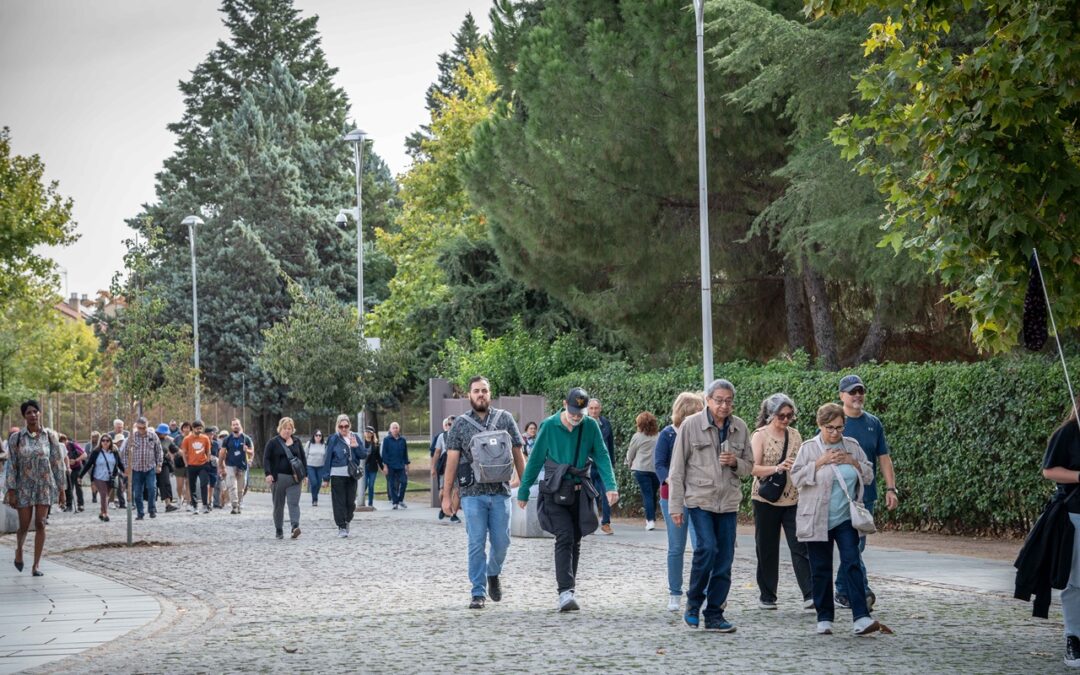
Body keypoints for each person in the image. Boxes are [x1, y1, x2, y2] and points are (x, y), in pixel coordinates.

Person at [517, 387, 619, 612]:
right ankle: (564, 592)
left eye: (580, 413)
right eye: (573, 411)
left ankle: (569, 590)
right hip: (554, 489)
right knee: (564, 536)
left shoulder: (590, 426)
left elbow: (601, 455)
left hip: (579, 490)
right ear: (565, 405)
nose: (576, 417)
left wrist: (611, 486)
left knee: (576, 538)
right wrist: (524, 491)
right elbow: (535, 460)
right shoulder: (549, 426)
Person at [668, 379, 751, 633]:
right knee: (707, 549)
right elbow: (677, 468)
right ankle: (693, 604)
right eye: (719, 400)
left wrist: (735, 462)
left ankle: (714, 613)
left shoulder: (740, 427)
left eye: (728, 401)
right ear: (708, 400)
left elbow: (749, 467)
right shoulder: (691, 426)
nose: (724, 405)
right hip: (699, 500)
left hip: (728, 503)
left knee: (725, 559)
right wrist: (676, 506)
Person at [791, 402, 879, 636]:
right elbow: (796, 478)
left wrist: (852, 462)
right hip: (817, 517)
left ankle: (861, 616)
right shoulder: (809, 448)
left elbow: (869, 474)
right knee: (820, 568)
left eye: (839, 428)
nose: (835, 433)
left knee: (852, 563)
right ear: (820, 425)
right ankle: (825, 618)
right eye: (829, 427)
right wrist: (819, 463)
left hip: (846, 518)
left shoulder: (852, 446)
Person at [442, 377, 526, 609]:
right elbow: (451, 461)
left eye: (485, 391)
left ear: (490, 394)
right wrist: (447, 495)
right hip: (472, 494)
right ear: (469, 395)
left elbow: (518, 453)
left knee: (502, 542)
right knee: (476, 543)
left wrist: (526, 487)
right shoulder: (460, 424)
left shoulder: (505, 419)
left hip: (500, 492)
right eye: (477, 391)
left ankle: (493, 573)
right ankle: (477, 592)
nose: (481, 395)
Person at [834, 374, 898, 610]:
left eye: (861, 390)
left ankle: (842, 590)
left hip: (865, 496)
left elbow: (884, 458)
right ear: (842, 396)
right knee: (851, 544)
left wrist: (891, 488)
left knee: (857, 546)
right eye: (852, 392)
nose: (858, 395)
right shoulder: (836, 423)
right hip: (840, 496)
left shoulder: (874, 423)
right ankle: (861, 589)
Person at [750, 393, 813, 611]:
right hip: (765, 499)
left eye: (789, 415)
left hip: (793, 498)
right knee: (766, 548)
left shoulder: (795, 436)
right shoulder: (760, 436)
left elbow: (804, 463)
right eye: (781, 416)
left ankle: (810, 593)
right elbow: (752, 468)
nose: (786, 420)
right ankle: (768, 595)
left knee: (801, 546)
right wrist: (777, 468)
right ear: (770, 415)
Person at [654, 392, 704, 612]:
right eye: (696, 412)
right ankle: (675, 592)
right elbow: (659, 464)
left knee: (702, 546)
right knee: (676, 547)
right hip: (672, 496)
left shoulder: (701, 434)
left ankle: (700, 591)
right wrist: (671, 481)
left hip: (698, 496)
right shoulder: (668, 434)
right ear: (684, 413)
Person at [1039, 402, 1080, 667]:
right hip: (1076, 514)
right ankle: (1074, 638)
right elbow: (1049, 470)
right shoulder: (1068, 433)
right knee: (1076, 581)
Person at [5, 400, 66, 576]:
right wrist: (11, 490)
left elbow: (57, 463)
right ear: (24, 416)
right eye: (29, 412)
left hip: (44, 486)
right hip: (23, 486)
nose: (32, 415)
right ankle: (19, 549)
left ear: (39, 413)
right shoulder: (17, 438)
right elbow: (11, 465)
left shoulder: (49, 436)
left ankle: (36, 565)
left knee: (40, 523)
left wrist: (61, 489)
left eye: (35, 412)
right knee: (24, 525)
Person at [322, 414, 366, 537]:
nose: (344, 429)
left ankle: (347, 520)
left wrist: (355, 447)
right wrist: (326, 477)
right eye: (341, 426)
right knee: (339, 502)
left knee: (350, 502)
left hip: (351, 475)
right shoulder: (333, 439)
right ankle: (341, 526)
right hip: (337, 474)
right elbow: (328, 458)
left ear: (349, 425)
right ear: (337, 426)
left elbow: (363, 455)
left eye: (346, 426)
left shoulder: (355, 437)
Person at [263, 417, 306, 540]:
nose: (287, 431)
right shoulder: (273, 442)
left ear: (293, 429)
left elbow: (302, 459)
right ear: (280, 428)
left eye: (290, 428)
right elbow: (266, 459)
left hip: (295, 479)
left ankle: (295, 527)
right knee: (278, 505)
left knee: (294, 503)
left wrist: (305, 475)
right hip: (278, 478)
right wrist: (268, 474)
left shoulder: (297, 441)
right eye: (285, 428)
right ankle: (279, 529)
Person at [123, 417, 163, 521]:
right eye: (139, 428)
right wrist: (126, 467)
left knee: (152, 488)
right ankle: (140, 513)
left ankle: (152, 510)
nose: (142, 430)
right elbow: (125, 453)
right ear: (136, 427)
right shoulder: (131, 437)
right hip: (136, 468)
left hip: (150, 467)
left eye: (144, 427)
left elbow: (159, 450)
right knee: (137, 492)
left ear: (147, 426)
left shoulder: (153, 436)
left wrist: (159, 464)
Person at [586, 398, 617, 534]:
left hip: (602, 466)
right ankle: (588, 522)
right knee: (588, 495)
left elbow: (610, 446)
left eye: (596, 408)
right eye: (591, 408)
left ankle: (606, 523)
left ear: (600, 409)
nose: (594, 411)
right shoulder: (582, 424)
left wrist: (611, 465)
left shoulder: (605, 424)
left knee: (607, 493)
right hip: (587, 466)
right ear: (587, 409)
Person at [626, 411, 660, 531]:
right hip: (656, 469)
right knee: (653, 494)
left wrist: (629, 463)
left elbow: (631, 452)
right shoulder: (659, 436)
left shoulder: (637, 436)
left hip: (641, 469)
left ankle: (650, 520)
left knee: (647, 494)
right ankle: (652, 518)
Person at [81, 434, 122, 521]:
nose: (105, 442)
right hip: (98, 477)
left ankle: (101, 512)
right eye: (103, 440)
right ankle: (105, 514)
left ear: (110, 442)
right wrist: (80, 476)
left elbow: (119, 464)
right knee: (103, 494)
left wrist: (126, 472)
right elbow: (88, 464)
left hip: (110, 477)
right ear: (101, 442)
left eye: (107, 441)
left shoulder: (114, 452)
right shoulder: (96, 452)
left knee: (106, 496)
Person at [219, 419, 252, 514]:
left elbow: (252, 452)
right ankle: (234, 505)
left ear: (240, 425)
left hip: (242, 466)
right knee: (232, 486)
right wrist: (220, 465)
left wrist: (247, 450)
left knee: (241, 487)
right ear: (231, 427)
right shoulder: (227, 439)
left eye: (237, 424)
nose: (235, 426)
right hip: (230, 465)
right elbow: (222, 453)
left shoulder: (246, 438)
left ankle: (239, 503)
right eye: (233, 425)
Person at [181, 420, 213, 514]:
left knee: (204, 484)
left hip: (203, 465)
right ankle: (195, 506)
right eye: (197, 428)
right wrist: (186, 464)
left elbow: (208, 451)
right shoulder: (187, 439)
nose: (199, 430)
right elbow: (184, 452)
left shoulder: (205, 438)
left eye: (201, 428)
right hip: (191, 465)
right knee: (192, 486)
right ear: (193, 428)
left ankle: (205, 505)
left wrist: (208, 461)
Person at [431, 417, 456, 522]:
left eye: (451, 424)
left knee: (456, 491)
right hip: (444, 467)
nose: (449, 426)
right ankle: (443, 507)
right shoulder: (441, 436)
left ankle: (452, 512)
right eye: (448, 424)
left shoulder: (459, 436)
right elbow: (436, 452)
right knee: (442, 491)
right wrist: (433, 467)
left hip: (456, 467)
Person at [381, 422, 409, 509]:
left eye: (396, 427)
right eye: (393, 428)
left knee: (404, 482)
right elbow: (384, 454)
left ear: (399, 429)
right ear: (390, 429)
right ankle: (395, 502)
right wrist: (385, 466)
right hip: (390, 465)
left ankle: (400, 499)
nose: (395, 429)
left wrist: (406, 464)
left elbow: (405, 453)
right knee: (392, 484)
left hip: (401, 465)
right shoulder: (386, 440)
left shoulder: (403, 440)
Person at [154, 424, 179, 512]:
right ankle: (152, 505)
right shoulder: (152, 438)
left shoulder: (168, 440)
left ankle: (168, 504)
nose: (165, 435)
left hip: (164, 464)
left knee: (166, 483)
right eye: (164, 433)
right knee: (152, 485)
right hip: (152, 464)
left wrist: (172, 455)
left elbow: (176, 450)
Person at [60, 433, 86, 513]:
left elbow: (85, 454)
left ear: (65, 440)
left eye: (63, 442)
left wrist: (76, 460)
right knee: (68, 488)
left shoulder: (73, 445)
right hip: (67, 469)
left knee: (78, 486)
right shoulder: (60, 447)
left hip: (77, 468)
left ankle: (80, 505)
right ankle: (69, 505)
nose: (62, 444)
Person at [305, 429, 327, 507]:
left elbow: (325, 457)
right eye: (316, 435)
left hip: (321, 467)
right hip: (310, 466)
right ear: (313, 436)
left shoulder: (324, 444)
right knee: (314, 483)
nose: (318, 437)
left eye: (320, 435)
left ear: (322, 436)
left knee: (318, 484)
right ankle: (315, 499)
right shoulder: (309, 443)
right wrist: (305, 472)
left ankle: (315, 497)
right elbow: (305, 456)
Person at [362, 426, 382, 508]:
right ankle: (360, 500)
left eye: (369, 432)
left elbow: (378, 457)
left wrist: (382, 467)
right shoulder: (362, 442)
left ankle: (370, 503)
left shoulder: (375, 444)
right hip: (364, 467)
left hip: (373, 468)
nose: (368, 433)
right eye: (366, 432)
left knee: (371, 485)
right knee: (365, 484)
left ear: (372, 434)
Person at [172, 422, 191, 507]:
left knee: (188, 483)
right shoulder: (177, 438)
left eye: (188, 427)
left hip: (190, 463)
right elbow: (172, 448)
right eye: (185, 427)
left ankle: (188, 501)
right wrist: (175, 455)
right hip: (179, 463)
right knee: (180, 485)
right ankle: (180, 498)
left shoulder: (192, 438)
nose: (186, 429)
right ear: (182, 429)